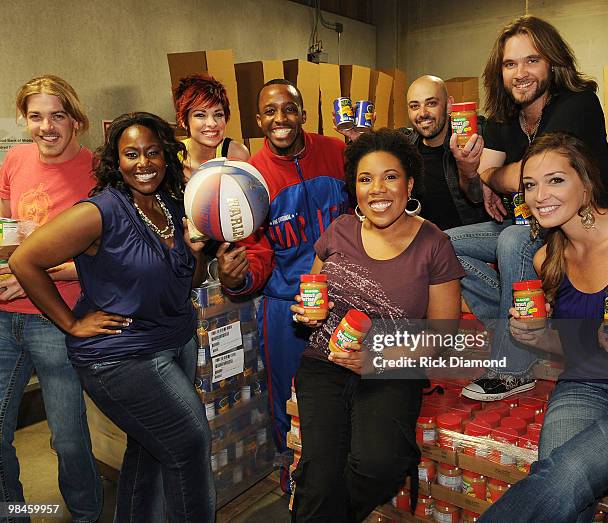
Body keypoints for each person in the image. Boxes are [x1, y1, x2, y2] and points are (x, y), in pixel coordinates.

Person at [9, 112, 215, 522]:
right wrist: (71, 322)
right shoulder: (99, 211)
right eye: (132, 154)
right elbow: (25, 260)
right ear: (116, 161)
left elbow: (186, 280)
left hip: (174, 342)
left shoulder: (173, 206)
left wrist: (199, 254)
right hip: (122, 356)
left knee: (151, 449)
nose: (144, 163)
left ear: (167, 156)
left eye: (153, 152)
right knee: (190, 445)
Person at [289, 129, 463, 521]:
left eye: (390, 176)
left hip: (393, 368)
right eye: (365, 179)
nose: (377, 189)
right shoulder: (338, 231)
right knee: (319, 473)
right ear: (354, 188)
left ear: (410, 183)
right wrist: (305, 311)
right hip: (325, 363)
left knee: (378, 465)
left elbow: (445, 336)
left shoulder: (434, 244)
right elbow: (313, 294)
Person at [448, 15, 608, 401]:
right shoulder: (505, 117)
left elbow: (529, 174)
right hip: (536, 226)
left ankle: (512, 367)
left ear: (553, 64)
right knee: (439, 243)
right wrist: (469, 169)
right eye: (510, 64)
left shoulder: (578, 103)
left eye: (532, 60)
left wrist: (494, 175)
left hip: (580, 228)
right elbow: (476, 188)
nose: (520, 73)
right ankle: (524, 323)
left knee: (512, 239)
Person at [478, 132, 608, 523]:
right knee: (560, 486)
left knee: (569, 474)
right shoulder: (545, 258)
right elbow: (582, 348)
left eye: (556, 180)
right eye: (530, 185)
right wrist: (540, 338)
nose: (540, 196)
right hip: (585, 385)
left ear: (585, 184)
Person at [217, 79, 348, 478]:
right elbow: (256, 252)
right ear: (258, 120)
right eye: (270, 111)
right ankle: (293, 477)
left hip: (346, 300)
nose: (280, 118)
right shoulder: (249, 179)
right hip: (286, 307)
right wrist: (237, 278)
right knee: (290, 399)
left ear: (303, 115)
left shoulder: (337, 152)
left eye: (289, 109)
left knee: (348, 393)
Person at [0, 75, 102, 522]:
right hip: (5, 318)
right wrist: (8, 267)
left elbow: (111, 252)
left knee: (67, 439)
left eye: (57, 115)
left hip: (56, 320)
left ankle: (84, 515)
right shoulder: (14, 160)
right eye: (36, 116)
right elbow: (6, 230)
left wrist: (35, 275)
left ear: (75, 120)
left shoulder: (98, 170)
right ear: (24, 119)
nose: (46, 127)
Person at [403, 75, 488, 230]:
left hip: (466, 244)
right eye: (415, 106)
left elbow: (478, 197)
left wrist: (467, 170)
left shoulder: (475, 138)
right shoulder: (405, 147)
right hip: (423, 244)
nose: (422, 113)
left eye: (431, 103)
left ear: (449, 105)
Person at [174, 73, 250, 178]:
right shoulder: (171, 157)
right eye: (200, 115)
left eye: (218, 115)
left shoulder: (236, 154)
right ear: (183, 120)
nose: (212, 123)